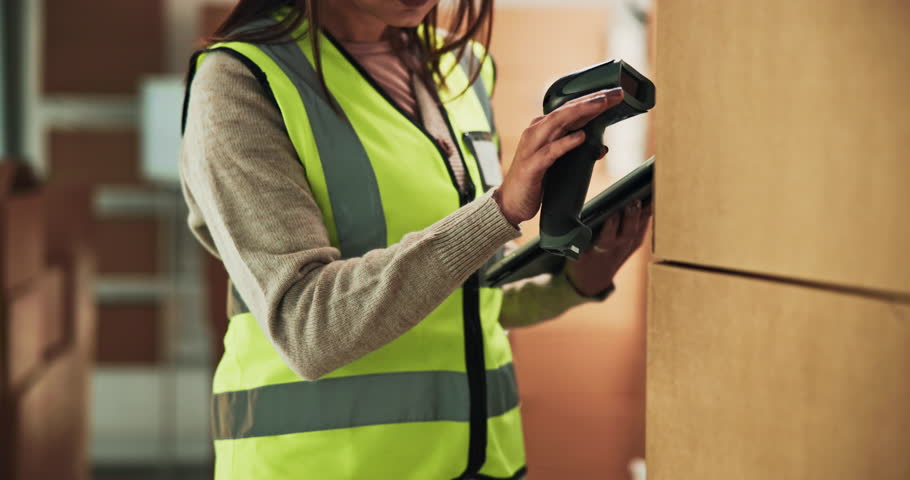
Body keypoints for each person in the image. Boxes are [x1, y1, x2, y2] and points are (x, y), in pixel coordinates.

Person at [179, 0, 652, 478]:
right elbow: (307, 329)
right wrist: (497, 212)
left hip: (485, 465)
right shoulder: (241, 80)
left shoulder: (462, 69)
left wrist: (576, 284)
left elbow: (471, 299)